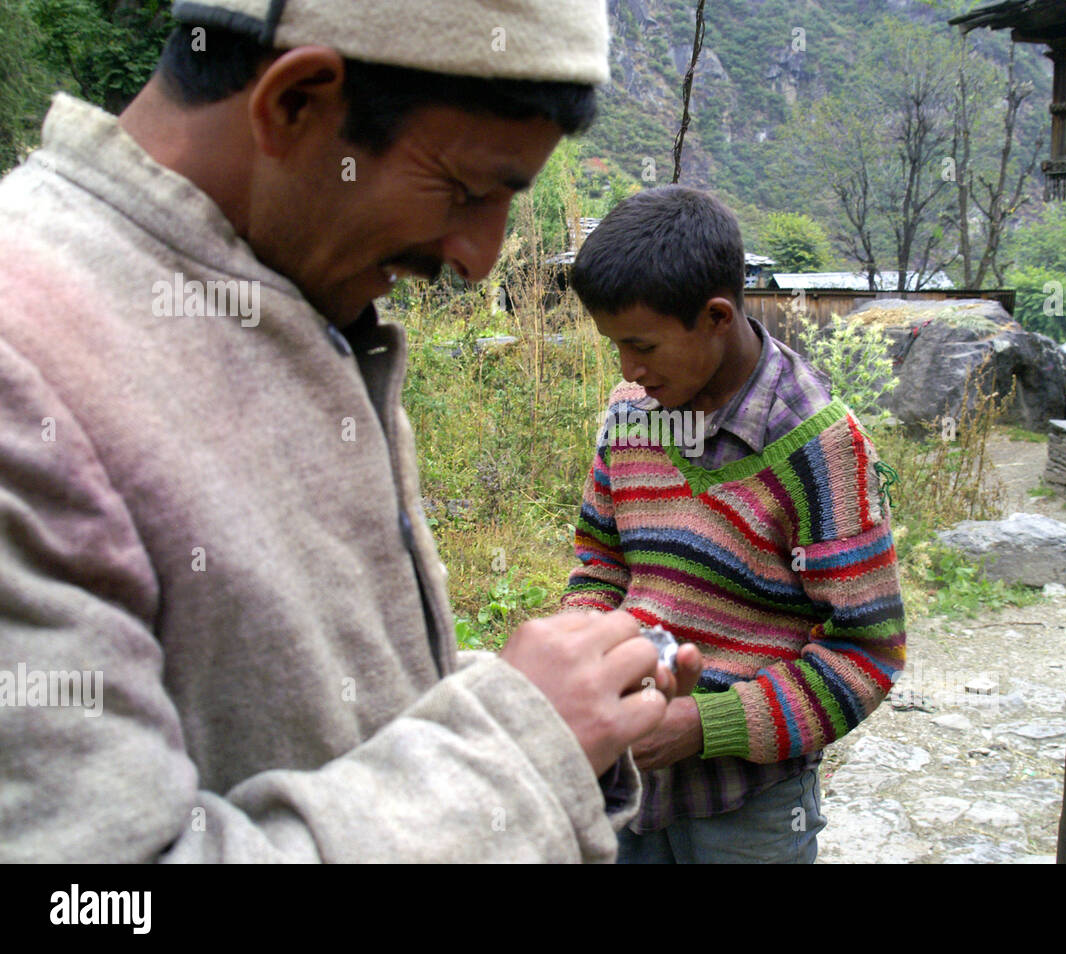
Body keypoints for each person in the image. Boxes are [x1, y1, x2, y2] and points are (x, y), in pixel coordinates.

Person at [0, 0, 701, 863]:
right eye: (466, 192)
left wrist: (565, 718)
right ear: (295, 102)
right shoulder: (25, 360)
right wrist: (519, 749)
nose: (482, 257)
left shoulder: (292, 285)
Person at [560, 186, 907, 863]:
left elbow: (869, 654)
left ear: (716, 316)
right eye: (615, 348)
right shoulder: (634, 408)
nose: (629, 370)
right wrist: (587, 648)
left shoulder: (818, 447)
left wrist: (704, 726)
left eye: (642, 346)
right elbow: (599, 562)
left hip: (747, 809)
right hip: (625, 779)